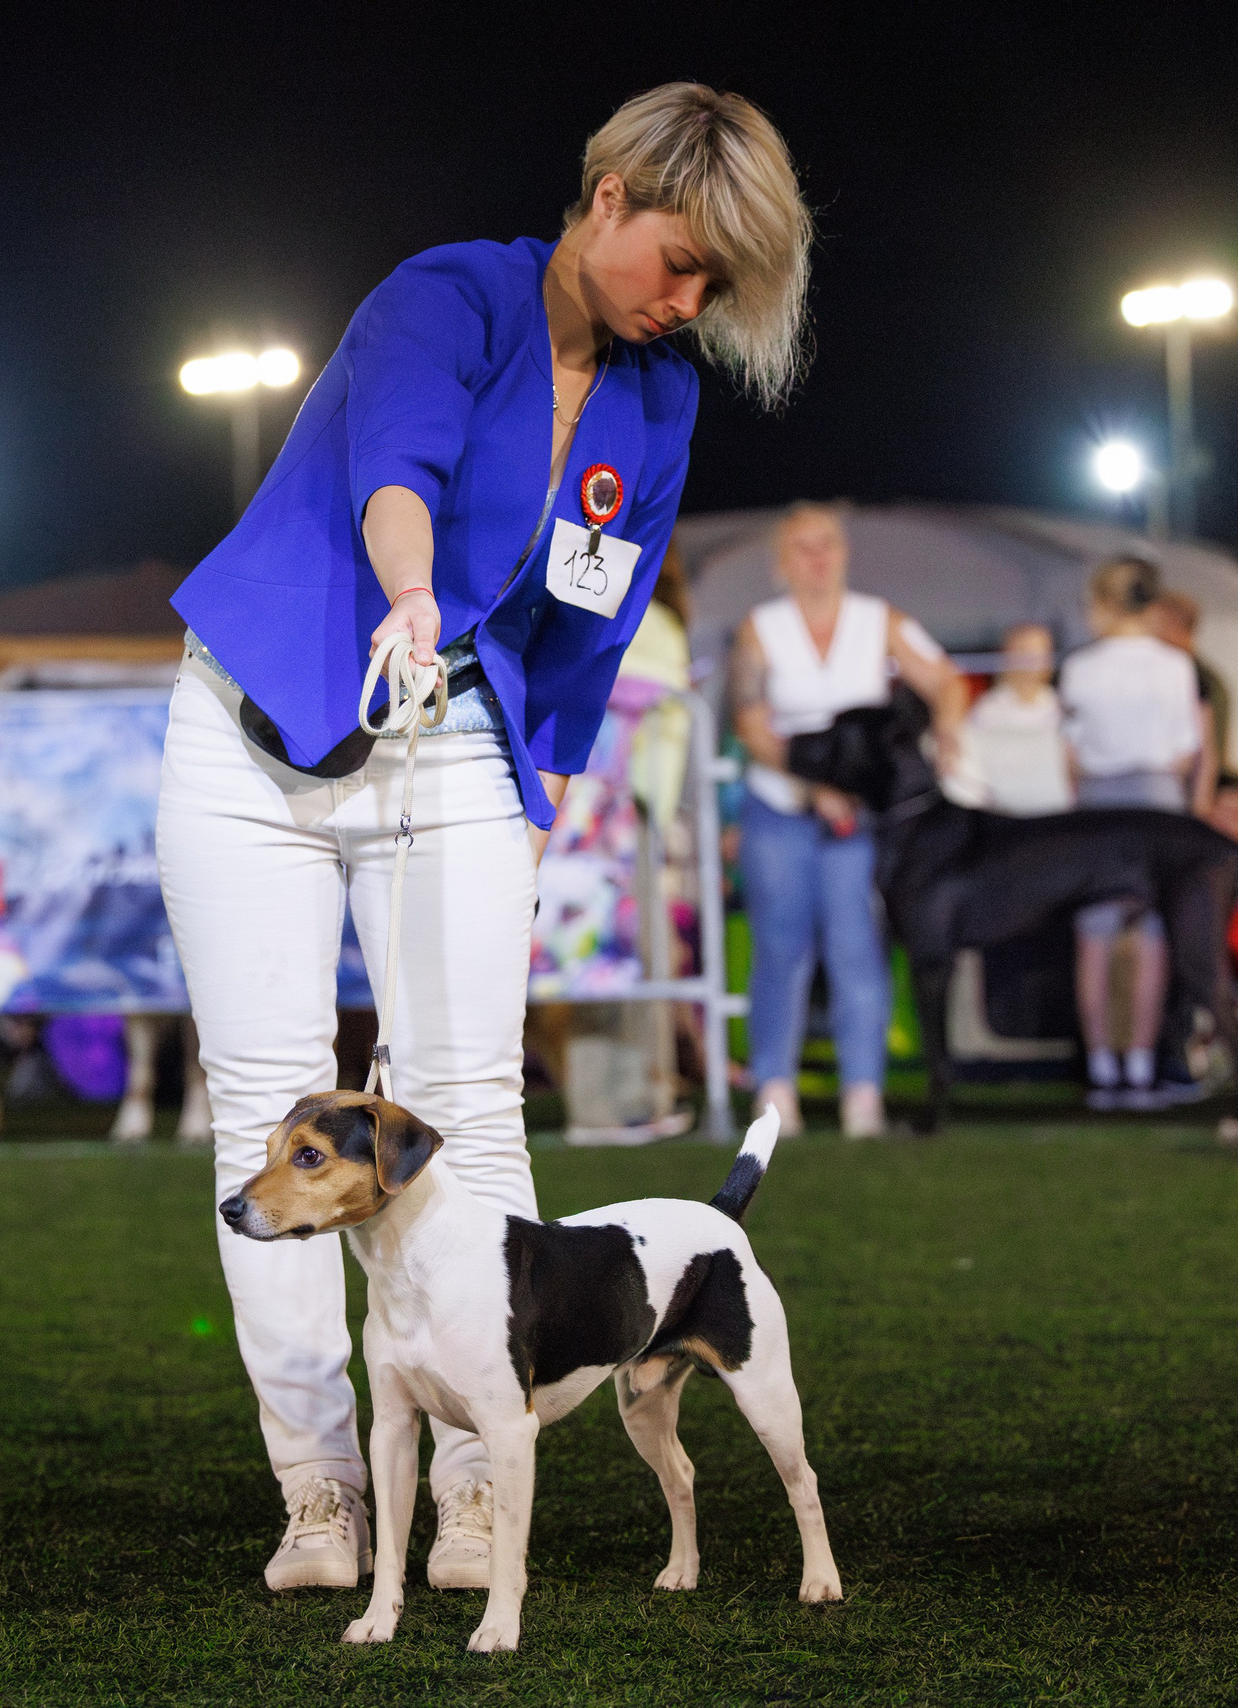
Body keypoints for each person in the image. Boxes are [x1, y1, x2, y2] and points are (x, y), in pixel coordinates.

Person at [160, 83, 813, 1594]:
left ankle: (470, 1488)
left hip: (455, 728)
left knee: (466, 1096)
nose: (689, 300)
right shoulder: (447, 292)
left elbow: (598, 603)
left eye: (717, 283)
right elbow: (397, 469)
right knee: (267, 1106)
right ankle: (321, 1494)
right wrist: (406, 594)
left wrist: (547, 782)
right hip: (252, 725)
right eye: (680, 259)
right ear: (607, 198)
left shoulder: (662, 397)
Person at [731, 503, 966, 1141]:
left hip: (860, 818)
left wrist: (948, 726)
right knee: (780, 949)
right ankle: (775, 1094)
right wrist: (814, 786)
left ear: (844, 552)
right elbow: (751, 722)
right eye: (804, 548)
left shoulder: (880, 619)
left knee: (858, 947)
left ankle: (864, 1094)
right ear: (783, 563)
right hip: (781, 806)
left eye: (828, 544)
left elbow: (945, 679)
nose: (818, 558)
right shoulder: (762, 627)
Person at [1058, 558, 1213, 1110]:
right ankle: (1141, 1064)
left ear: (1101, 604)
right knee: (1151, 937)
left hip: (1099, 799)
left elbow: (1070, 751)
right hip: (1158, 796)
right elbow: (1186, 748)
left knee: (1094, 936)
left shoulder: (1080, 667)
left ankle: (1103, 1067)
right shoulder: (1176, 665)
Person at [958, 621, 1071, 816]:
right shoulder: (988, 711)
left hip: (1055, 816)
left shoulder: (1062, 707)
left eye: (1041, 652)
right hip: (1004, 816)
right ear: (1007, 656)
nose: (1034, 660)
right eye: (1025, 651)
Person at [1148, 590, 1232, 781]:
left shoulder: (1200, 681)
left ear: (1175, 626)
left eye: (1157, 624)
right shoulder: (1203, 676)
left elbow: (1209, 757)